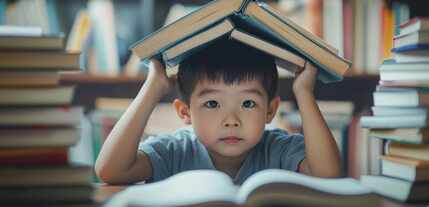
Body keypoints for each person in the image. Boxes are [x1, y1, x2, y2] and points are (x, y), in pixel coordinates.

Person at [95, 38, 343, 185]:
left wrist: (304, 93)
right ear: (185, 113)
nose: (232, 121)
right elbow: (110, 170)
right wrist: (153, 88)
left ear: (270, 111)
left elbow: (328, 174)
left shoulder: (278, 150)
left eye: (248, 104)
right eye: (212, 104)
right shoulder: (174, 152)